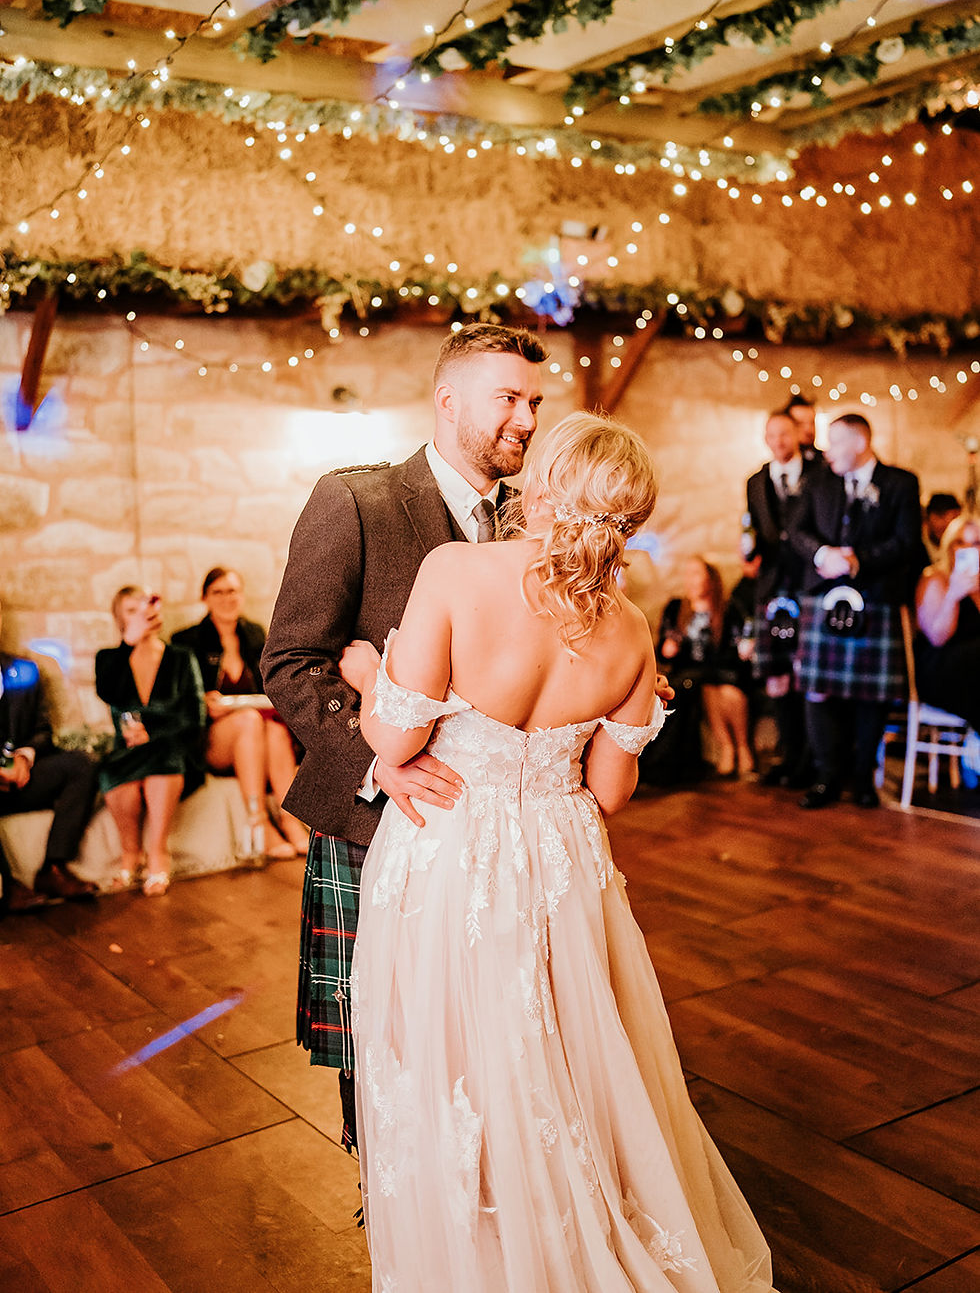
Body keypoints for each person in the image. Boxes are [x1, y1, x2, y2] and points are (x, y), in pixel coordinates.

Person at [339, 413, 776, 1293]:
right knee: (567, 1053)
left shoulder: (455, 570)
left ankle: (488, 1252)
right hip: (561, 855)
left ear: (539, 487)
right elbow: (609, 790)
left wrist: (363, 671)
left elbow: (396, 737)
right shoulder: (632, 629)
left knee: (455, 1057)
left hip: (454, 845)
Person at [261, 323, 549, 1151]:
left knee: (490, 1026)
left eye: (535, 401)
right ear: (447, 400)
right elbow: (291, 660)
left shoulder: (534, 520)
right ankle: (385, 1195)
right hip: (383, 816)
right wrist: (374, 764)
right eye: (508, 398)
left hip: (499, 829)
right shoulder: (358, 501)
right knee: (382, 1030)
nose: (527, 420)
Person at [790, 413, 921, 810]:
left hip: (875, 597)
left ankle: (863, 779)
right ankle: (827, 778)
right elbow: (796, 530)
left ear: (861, 442)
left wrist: (858, 559)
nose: (828, 451)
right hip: (822, 595)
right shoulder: (818, 481)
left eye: (836, 442)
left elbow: (907, 542)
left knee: (871, 697)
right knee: (817, 690)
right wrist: (822, 554)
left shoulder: (900, 483)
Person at [171, 568, 307, 860]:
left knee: (273, 728)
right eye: (218, 592)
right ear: (205, 598)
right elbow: (179, 702)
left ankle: (289, 820)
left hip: (259, 733)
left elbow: (271, 685)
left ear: (242, 595)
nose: (227, 598)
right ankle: (259, 823)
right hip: (213, 739)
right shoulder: (187, 640)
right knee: (249, 720)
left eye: (232, 591)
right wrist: (202, 701)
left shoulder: (254, 634)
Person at [96, 587, 205, 896]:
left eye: (143, 608)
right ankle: (130, 854)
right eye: (131, 611)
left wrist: (152, 732)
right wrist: (129, 643)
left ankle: (158, 853)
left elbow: (195, 718)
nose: (140, 616)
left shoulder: (180, 657)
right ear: (119, 619)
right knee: (114, 772)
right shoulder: (108, 659)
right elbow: (108, 692)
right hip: (129, 753)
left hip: (172, 751)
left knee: (164, 755)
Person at [0, 598, 98, 910]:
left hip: (18, 777)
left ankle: (53, 869)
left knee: (81, 765)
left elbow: (42, 729)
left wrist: (23, 758)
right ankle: (5, 885)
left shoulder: (24, 669)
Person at [745, 410, 811, 787]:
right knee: (778, 675)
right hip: (771, 586)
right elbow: (753, 528)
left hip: (809, 584)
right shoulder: (755, 482)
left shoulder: (819, 474)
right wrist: (748, 551)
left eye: (784, 433)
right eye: (772, 435)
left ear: (797, 434)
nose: (778, 441)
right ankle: (788, 756)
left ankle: (810, 761)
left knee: (807, 675)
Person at [658, 556, 756, 778]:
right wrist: (668, 648)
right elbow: (663, 650)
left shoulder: (728, 609)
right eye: (687, 574)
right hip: (691, 675)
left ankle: (740, 747)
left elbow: (737, 648)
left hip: (722, 673)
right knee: (709, 688)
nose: (690, 580)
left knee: (727, 690)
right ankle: (729, 747)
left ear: (710, 579)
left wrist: (745, 647)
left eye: (695, 574)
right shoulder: (676, 608)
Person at [915, 512, 980, 727]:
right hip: (942, 670)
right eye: (960, 542)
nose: (968, 549)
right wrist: (954, 594)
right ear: (949, 546)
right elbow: (937, 638)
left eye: (976, 543)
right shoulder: (935, 578)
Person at [921, 492, 962, 567]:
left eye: (954, 518)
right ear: (927, 519)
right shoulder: (914, 550)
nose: (947, 525)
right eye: (941, 516)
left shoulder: (962, 550)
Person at [783, 393, 821, 463]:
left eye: (812, 423)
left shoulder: (828, 462)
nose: (808, 429)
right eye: (800, 424)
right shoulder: (775, 467)